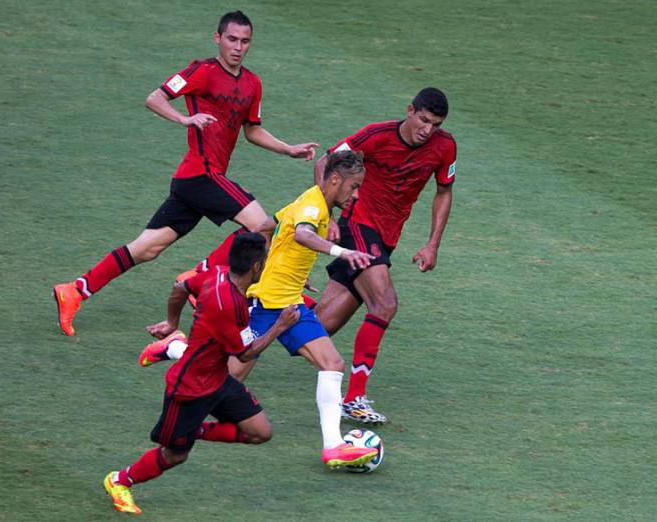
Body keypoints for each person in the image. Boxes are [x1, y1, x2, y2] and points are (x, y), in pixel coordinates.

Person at [52, 10, 318, 336]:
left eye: (245, 41)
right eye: (231, 39)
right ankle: (200, 278)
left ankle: (75, 290)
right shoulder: (201, 71)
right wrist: (184, 120)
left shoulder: (252, 83)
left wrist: (288, 148)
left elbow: (252, 130)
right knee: (262, 226)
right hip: (200, 174)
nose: (237, 47)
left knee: (147, 248)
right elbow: (155, 98)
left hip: (196, 181)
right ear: (217, 38)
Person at [141, 151, 379, 468]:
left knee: (332, 363)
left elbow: (268, 226)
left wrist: (283, 264)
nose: (357, 194)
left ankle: (334, 446)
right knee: (227, 373)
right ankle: (175, 349)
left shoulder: (311, 201)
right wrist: (342, 251)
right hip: (267, 305)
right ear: (335, 179)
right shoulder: (311, 206)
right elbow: (302, 233)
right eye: (354, 186)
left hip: (288, 302)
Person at [103, 233, 299, 515]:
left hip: (218, 379)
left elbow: (180, 286)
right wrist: (280, 326)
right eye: (265, 261)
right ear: (256, 267)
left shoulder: (216, 274)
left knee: (260, 432)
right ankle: (120, 480)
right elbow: (244, 354)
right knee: (176, 454)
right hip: (189, 388)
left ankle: (190, 424)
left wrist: (172, 322)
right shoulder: (231, 306)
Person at [313, 87, 457, 425]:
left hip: (387, 238)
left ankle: (250, 308)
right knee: (385, 304)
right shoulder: (375, 136)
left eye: (435, 124)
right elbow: (325, 161)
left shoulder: (445, 146)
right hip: (358, 224)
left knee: (320, 325)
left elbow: (444, 191)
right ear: (410, 110)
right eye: (423, 120)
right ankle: (354, 398)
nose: (428, 130)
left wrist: (432, 243)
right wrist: (328, 214)